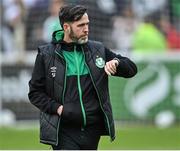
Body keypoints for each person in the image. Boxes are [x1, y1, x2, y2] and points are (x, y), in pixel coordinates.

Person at [28, 5, 137, 150]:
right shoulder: (46, 55)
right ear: (66, 27)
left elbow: (131, 69)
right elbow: (35, 93)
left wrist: (116, 62)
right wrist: (59, 109)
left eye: (87, 24)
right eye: (80, 25)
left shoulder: (98, 50)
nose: (86, 29)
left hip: (92, 132)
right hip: (64, 131)